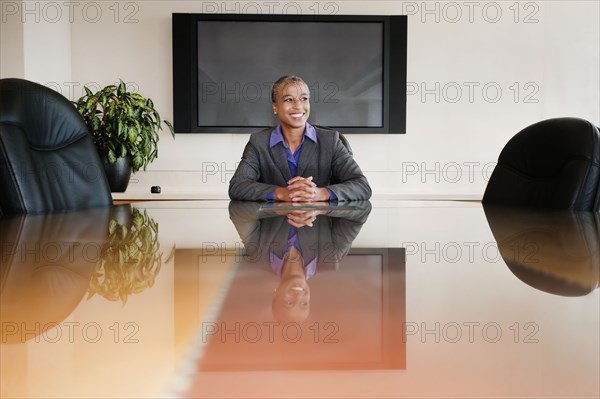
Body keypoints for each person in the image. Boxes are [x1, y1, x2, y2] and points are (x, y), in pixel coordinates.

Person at [228, 75, 372, 202]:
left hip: (318, 228)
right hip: (274, 227)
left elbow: (361, 186)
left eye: (304, 99)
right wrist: (281, 193)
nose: (298, 106)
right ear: (275, 107)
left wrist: (321, 193)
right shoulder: (259, 142)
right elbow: (238, 186)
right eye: (289, 99)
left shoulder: (330, 141)